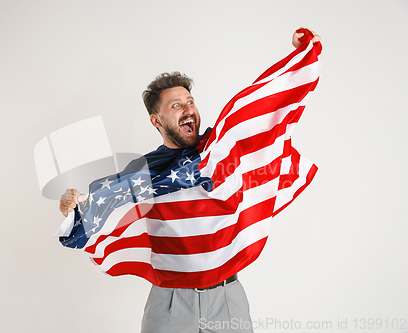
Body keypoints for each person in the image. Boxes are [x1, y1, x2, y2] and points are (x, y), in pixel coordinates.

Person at [59, 29, 321, 333]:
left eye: (190, 101)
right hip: (169, 304)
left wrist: (299, 59)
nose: (188, 110)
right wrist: (74, 210)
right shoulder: (144, 171)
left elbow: (264, 115)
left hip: (228, 298)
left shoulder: (222, 150)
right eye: (176, 105)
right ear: (156, 121)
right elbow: (100, 212)